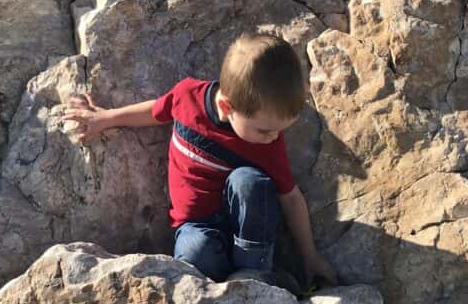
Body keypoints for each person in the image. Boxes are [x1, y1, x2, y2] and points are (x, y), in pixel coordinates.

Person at [59, 32, 339, 290]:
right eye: (265, 130)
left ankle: (256, 277)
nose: (275, 138)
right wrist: (106, 118)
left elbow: (290, 198)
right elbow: (155, 111)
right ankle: (229, 284)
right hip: (197, 226)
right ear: (226, 107)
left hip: (248, 235)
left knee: (249, 182)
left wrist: (310, 256)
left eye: (281, 130)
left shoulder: (267, 144)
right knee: (194, 252)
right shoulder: (187, 97)